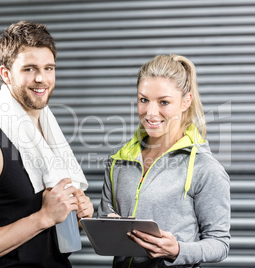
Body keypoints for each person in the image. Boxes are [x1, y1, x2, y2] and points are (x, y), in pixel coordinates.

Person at [0, 21, 94, 267]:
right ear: (6, 74)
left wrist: (74, 214)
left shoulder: (46, 131)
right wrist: (43, 218)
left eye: (48, 68)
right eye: (29, 69)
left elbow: (43, 221)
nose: (41, 79)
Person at [98, 54, 230, 267]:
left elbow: (220, 244)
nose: (150, 112)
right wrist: (108, 223)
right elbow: (106, 215)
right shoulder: (118, 162)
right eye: (144, 100)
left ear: (186, 101)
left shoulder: (205, 168)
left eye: (164, 102)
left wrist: (177, 250)